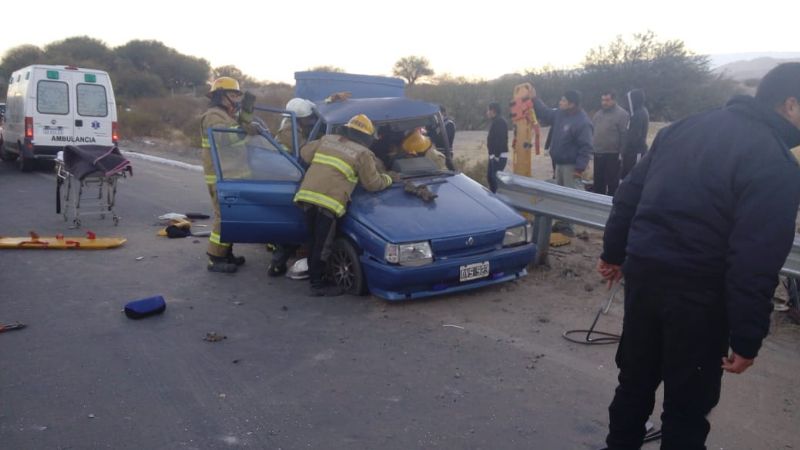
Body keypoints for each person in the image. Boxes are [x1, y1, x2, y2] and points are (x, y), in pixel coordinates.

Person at [597, 63, 800, 449]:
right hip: (699, 298)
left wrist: (614, 253)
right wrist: (747, 336)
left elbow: (627, 197)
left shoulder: (683, 128)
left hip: (645, 278)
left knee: (634, 383)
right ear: (790, 104)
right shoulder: (777, 163)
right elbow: (754, 259)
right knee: (687, 408)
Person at [294, 114, 393, 296]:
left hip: (307, 196)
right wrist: (389, 178)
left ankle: (313, 274)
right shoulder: (363, 153)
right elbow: (372, 184)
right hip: (328, 201)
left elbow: (304, 153)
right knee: (323, 245)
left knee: (314, 240)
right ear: (366, 137)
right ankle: (317, 284)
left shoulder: (327, 139)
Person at [199, 76, 258, 273]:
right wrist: (244, 130)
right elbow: (224, 137)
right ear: (220, 96)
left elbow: (239, 127)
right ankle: (214, 258)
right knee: (223, 217)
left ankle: (226, 253)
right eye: (233, 95)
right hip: (220, 177)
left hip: (231, 175)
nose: (237, 99)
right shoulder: (213, 116)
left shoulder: (227, 116)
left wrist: (247, 113)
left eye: (237, 95)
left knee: (232, 216)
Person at [533, 89, 594, 236]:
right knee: (560, 195)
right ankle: (561, 222)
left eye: (563, 100)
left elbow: (586, 147)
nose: (560, 102)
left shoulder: (582, 122)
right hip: (559, 163)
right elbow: (545, 113)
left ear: (572, 104)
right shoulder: (560, 114)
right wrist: (535, 99)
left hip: (571, 166)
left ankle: (570, 226)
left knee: (570, 196)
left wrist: (579, 169)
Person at [591, 90, 628, 196]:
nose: (604, 103)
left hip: (613, 154)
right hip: (598, 153)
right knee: (598, 183)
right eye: (602, 100)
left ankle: (611, 207)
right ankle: (597, 206)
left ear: (614, 100)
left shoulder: (622, 114)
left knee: (612, 183)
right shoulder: (598, 114)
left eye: (607, 100)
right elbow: (593, 131)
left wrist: (622, 153)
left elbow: (624, 135)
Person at [620, 88, 649, 179]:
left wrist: (625, 148)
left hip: (635, 152)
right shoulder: (635, 113)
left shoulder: (639, 114)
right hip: (629, 152)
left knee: (633, 176)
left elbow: (634, 136)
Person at [486, 101, 508, 193]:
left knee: (495, 181)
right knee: (490, 177)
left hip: (498, 156)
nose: (487, 112)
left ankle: (497, 201)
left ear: (493, 110)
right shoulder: (495, 121)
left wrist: (496, 156)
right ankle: (493, 198)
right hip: (493, 156)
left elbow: (501, 140)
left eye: (488, 110)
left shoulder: (500, 122)